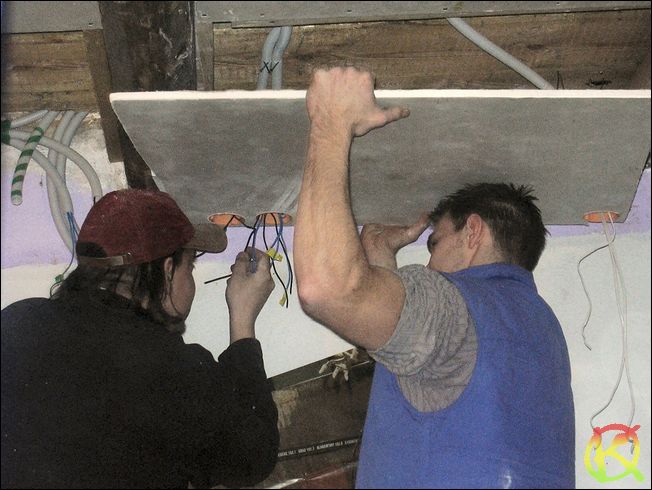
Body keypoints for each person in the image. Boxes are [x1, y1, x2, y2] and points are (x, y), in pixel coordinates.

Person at [294, 67, 575, 488]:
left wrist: (331, 122)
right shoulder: (542, 333)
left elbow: (324, 287)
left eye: (435, 244)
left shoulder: (455, 308)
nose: (429, 266)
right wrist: (381, 263)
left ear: (473, 232)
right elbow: (435, 378)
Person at [1, 189, 279, 488]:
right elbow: (253, 457)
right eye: (190, 266)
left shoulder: (17, 321)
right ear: (168, 271)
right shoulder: (175, 371)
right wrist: (242, 321)